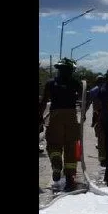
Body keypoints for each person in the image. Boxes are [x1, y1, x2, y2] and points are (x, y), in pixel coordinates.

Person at [39, 58, 82, 191]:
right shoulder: (76, 83)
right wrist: (84, 114)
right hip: (71, 115)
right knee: (70, 146)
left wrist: (40, 117)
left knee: (53, 143)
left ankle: (57, 166)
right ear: (71, 70)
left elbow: (44, 101)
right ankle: (69, 178)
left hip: (55, 115)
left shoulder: (50, 83)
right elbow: (85, 99)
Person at [82, 75, 107, 167]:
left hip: (99, 114)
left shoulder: (94, 90)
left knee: (101, 135)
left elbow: (88, 103)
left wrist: (83, 113)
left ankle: (103, 157)